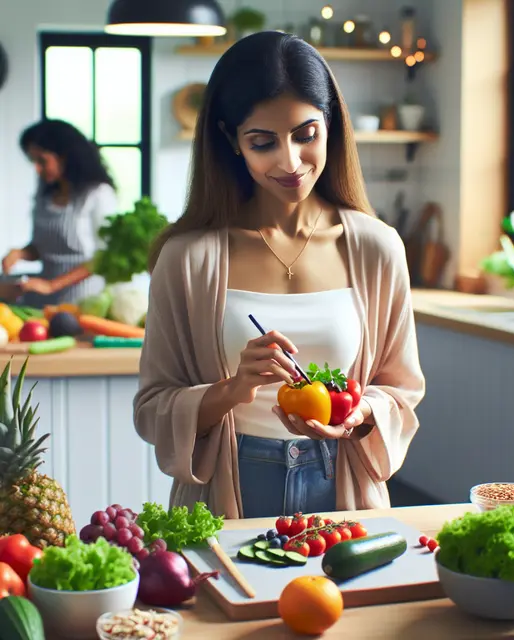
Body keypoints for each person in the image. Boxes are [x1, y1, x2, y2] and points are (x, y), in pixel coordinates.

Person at [133, 31, 425, 519]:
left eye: (306, 135)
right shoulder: (187, 258)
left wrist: (359, 413)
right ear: (231, 141)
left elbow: (401, 390)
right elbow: (152, 406)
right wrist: (231, 389)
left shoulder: (377, 248)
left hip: (343, 487)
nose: (290, 163)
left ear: (330, 123)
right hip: (227, 492)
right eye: (263, 142)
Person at [1, 119, 118, 306]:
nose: (37, 169)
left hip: (83, 300)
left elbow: (104, 257)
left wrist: (53, 285)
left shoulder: (98, 194)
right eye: (33, 161)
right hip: (44, 299)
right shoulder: (45, 194)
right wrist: (21, 253)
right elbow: (43, 247)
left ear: (65, 156)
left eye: (42, 160)